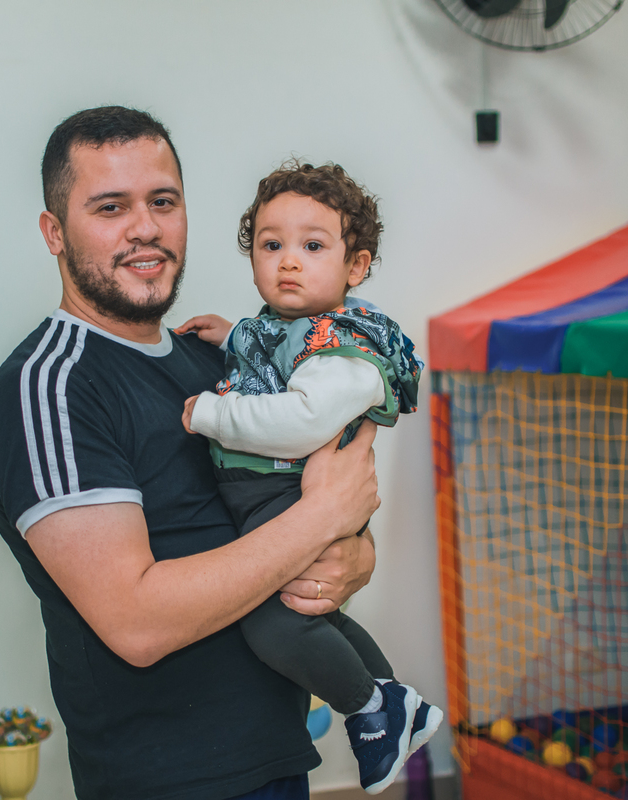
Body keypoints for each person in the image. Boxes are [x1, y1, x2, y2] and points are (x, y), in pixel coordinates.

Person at [0, 106, 381, 800]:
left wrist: (352, 560)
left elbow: (327, 512)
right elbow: (135, 622)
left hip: (276, 759)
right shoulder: (49, 389)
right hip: (170, 783)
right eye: (110, 207)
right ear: (54, 233)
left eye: (163, 202)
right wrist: (323, 518)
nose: (145, 228)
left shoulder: (211, 362)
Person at [178, 161, 442, 794]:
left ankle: (365, 708)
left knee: (273, 623)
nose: (288, 262)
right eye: (272, 245)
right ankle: (394, 703)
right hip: (272, 496)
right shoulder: (291, 331)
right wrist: (232, 334)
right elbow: (271, 350)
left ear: (355, 267)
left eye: (313, 246)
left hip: (286, 494)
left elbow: (298, 419)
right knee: (310, 615)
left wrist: (212, 413)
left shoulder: (344, 350)